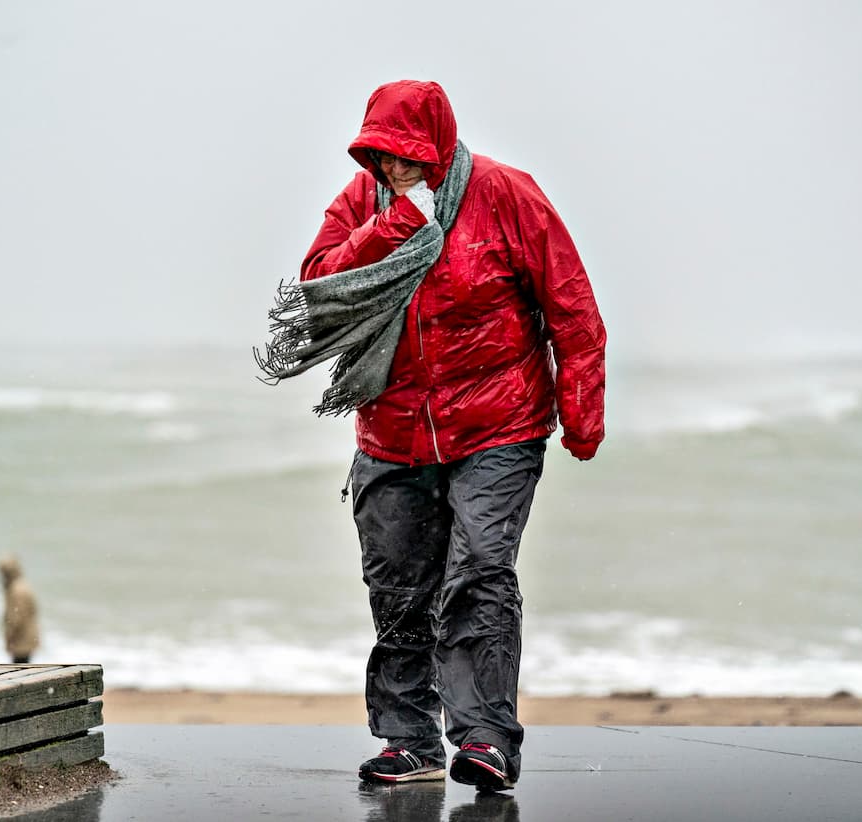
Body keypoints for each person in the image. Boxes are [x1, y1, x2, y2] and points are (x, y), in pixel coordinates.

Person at [256, 80, 605, 792]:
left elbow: (571, 306)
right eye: (380, 157)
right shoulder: (365, 204)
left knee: (479, 571)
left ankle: (484, 738)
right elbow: (319, 285)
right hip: (391, 430)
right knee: (398, 588)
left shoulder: (508, 194)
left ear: (439, 147)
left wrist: (582, 412)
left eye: (405, 156)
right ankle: (409, 741)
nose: (392, 169)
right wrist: (394, 226)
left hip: (499, 423)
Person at [0, 554, 40, 664]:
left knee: (19, 671)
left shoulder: (15, 590)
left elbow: (16, 618)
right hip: (28, 637)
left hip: (21, 641)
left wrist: (9, 637)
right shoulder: (23, 585)